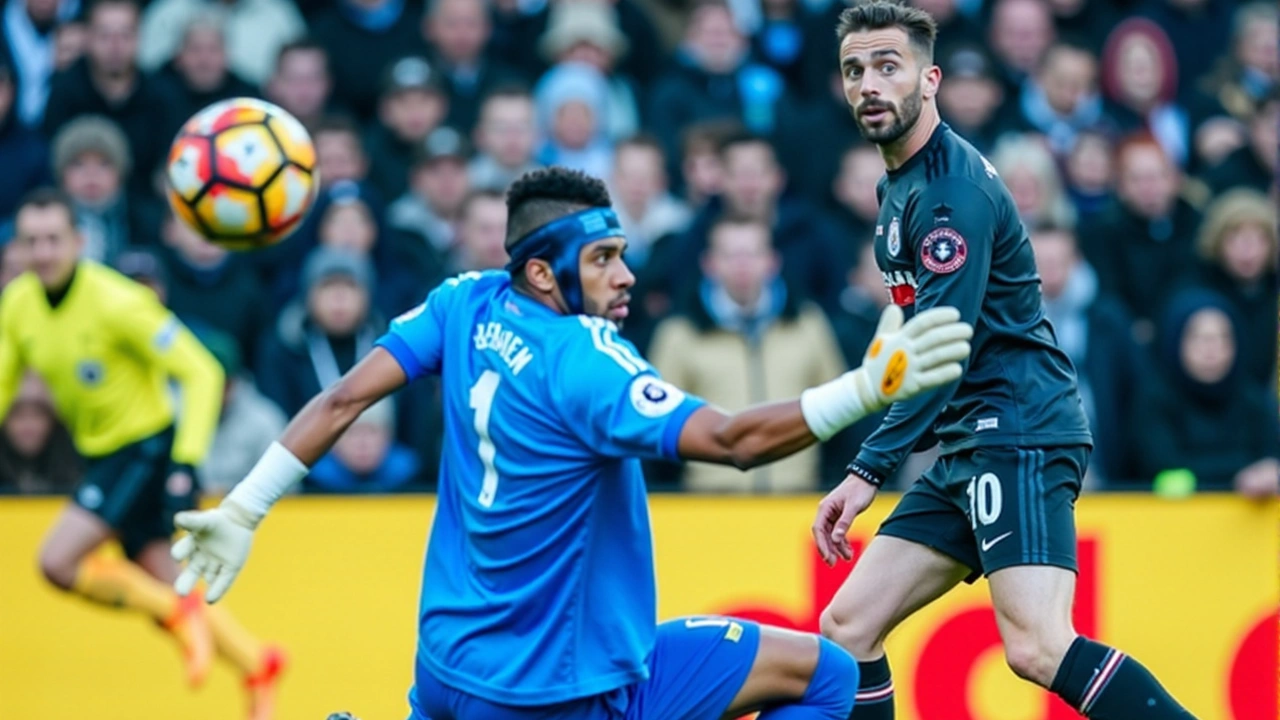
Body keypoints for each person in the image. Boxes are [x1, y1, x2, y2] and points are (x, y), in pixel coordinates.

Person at [170, 166, 973, 720]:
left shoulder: (464, 304)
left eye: (621, 253)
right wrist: (862, 391)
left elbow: (344, 396)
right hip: (561, 690)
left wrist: (245, 507)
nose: (625, 275)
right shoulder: (583, 362)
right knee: (829, 676)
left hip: (448, 666)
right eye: (602, 259)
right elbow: (730, 441)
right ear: (545, 275)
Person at [813, 4, 1197, 720]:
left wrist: (868, 469)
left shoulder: (949, 193)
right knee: (847, 628)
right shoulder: (898, 184)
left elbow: (947, 345)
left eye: (887, 67)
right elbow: (918, 323)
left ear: (929, 81)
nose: (869, 84)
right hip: (970, 440)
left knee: (1038, 646)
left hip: (1017, 428)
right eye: (854, 70)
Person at [0, 188, 285, 720]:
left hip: (144, 450)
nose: (43, 252)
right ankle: (255, 662)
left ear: (79, 242)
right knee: (161, 582)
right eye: (32, 241)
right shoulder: (18, 305)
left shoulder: (117, 300)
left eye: (53, 240)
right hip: (102, 455)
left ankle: (181, 618)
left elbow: (201, 371)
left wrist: (185, 461)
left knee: (57, 563)